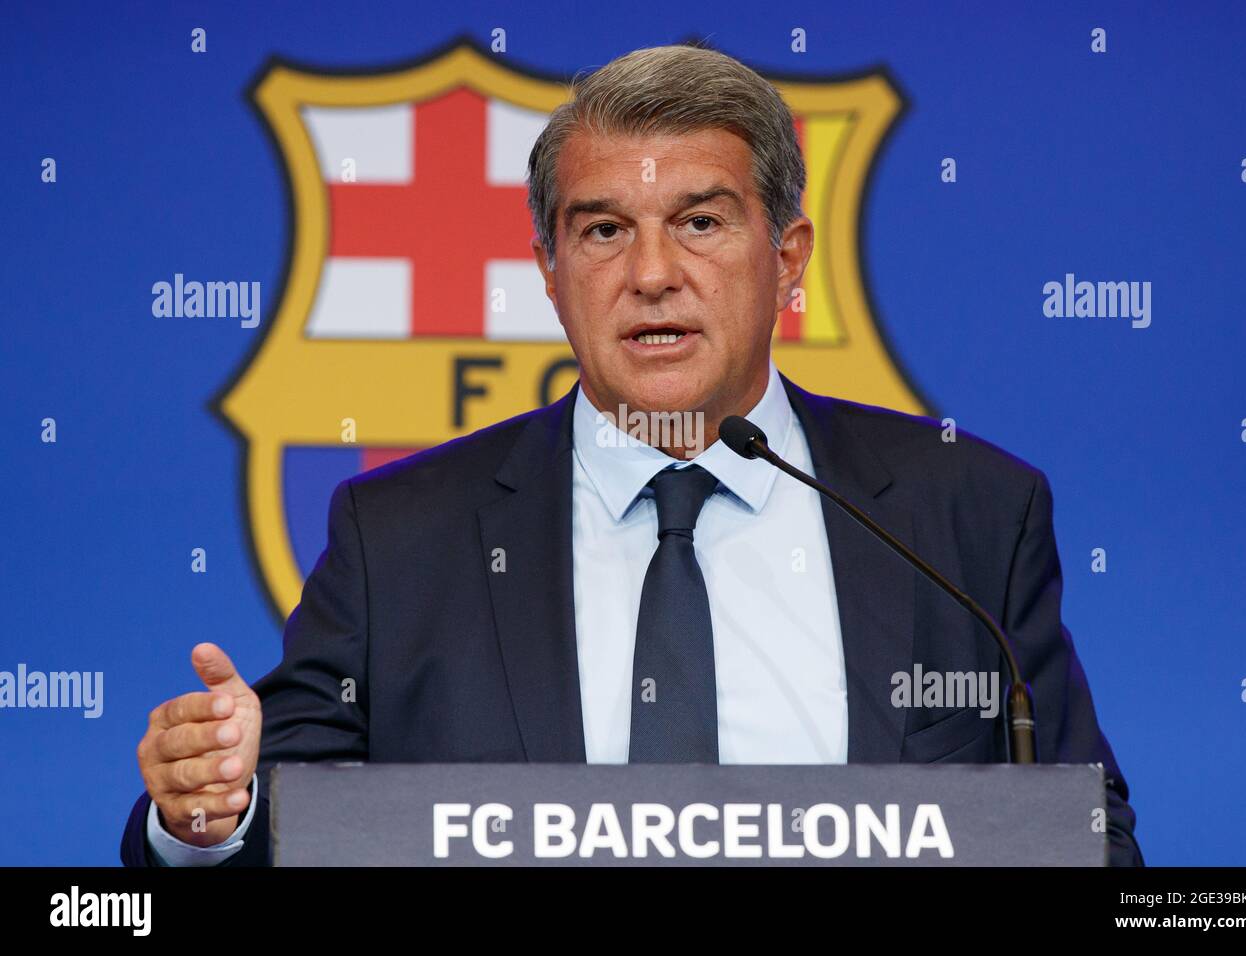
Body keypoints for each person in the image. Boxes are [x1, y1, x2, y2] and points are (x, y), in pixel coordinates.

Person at [122, 43, 1143, 867]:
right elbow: (289, 824)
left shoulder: (961, 510)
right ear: (551, 272)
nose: (652, 274)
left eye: (700, 222)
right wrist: (208, 815)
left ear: (786, 259)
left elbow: (1081, 834)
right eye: (604, 230)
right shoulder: (401, 535)